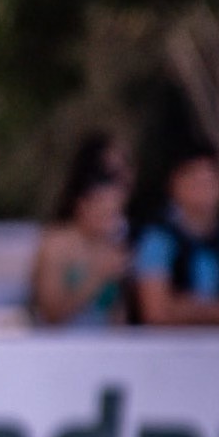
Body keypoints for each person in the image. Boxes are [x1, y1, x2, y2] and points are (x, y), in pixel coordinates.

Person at [131, 145, 219, 326]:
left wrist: (189, 308)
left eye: (209, 182)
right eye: (194, 182)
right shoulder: (156, 237)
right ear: (174, 183)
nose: (202, 191)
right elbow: (155, 313)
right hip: (170, 348)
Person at [30, 133, 131, 327]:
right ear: (82, 205)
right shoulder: (56, 244)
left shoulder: (113, 246)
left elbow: (118, 317)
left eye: (114, 213)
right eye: (103, 212)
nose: (109, 220)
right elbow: (50, 314)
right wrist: (97, 277)